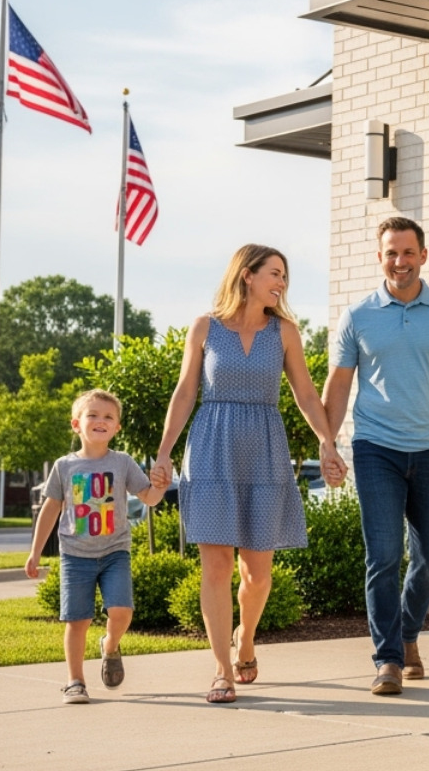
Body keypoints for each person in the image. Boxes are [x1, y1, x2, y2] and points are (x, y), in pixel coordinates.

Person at [152, 244, 345, 704]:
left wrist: (327, 440)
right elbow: (184, 394)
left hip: (264, 447)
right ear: (247, 275)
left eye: (285, 277)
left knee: (257, 575)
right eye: (275, 274)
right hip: (212, 448)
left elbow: (304, 394)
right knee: (215, 567)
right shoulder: (204, 327)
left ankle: (246, 637)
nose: (281, 283)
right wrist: (163, 454)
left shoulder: (284, 332)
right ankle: (221, 670)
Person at [322, 216, 429, 696]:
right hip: (375, 449)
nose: (400, 261)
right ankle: (388, 659)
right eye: (391, 252)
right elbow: (339, 384)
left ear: (424, 256)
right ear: (379, 257)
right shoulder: (358, 315)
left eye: (408, 252)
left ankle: (409, 634)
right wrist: (327, 443)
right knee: (384, 556)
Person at [26, 389, 166, 704]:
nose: (100, 421)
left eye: (108, 417)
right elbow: (50, 510)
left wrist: (159, 485)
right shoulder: (64, 466)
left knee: (121, 611)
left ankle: (110, 644)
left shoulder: (122, 462)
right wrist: (35, 552)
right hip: (76, 556)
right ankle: (75, 681)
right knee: (77, 620)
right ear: (77, 424)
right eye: (93, 415)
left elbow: (148, 497)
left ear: (117, 428)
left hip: (115, 552)